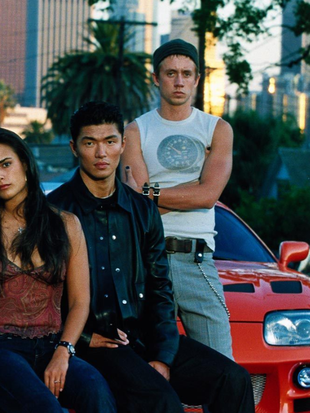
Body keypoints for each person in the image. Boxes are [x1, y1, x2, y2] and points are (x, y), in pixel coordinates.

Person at [49, 101, 253, 412]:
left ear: (123, 144)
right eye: (90, 143)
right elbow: (43, 293)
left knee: (232, 378)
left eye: (110, 141)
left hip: (142, 336)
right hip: (96, 343)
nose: (101, 153)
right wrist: (86, 336)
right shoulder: (55, 210)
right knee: (162, 401)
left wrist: (163, 355)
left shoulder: (142, 209)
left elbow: (160, 288)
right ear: (74, 148)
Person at [0, 128, 115, 413]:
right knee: (44, 408)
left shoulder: (65, 224)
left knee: (97, 392)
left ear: (25, 164)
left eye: (6, 164)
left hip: (51, 345)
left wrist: (63, 351)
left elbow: (80, 301)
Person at [121, 39, 234, 359]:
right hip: (148, 259)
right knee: (147, 369)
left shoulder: (217, 129)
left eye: (187, 73)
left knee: (224, 369)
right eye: (171, 73)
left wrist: (151, 193)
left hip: (196, 261)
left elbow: (209, 195)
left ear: (198, 79)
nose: (179, 80)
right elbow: (135, 202)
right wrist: (190, 190)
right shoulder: (135, 131)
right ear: (156, 78)